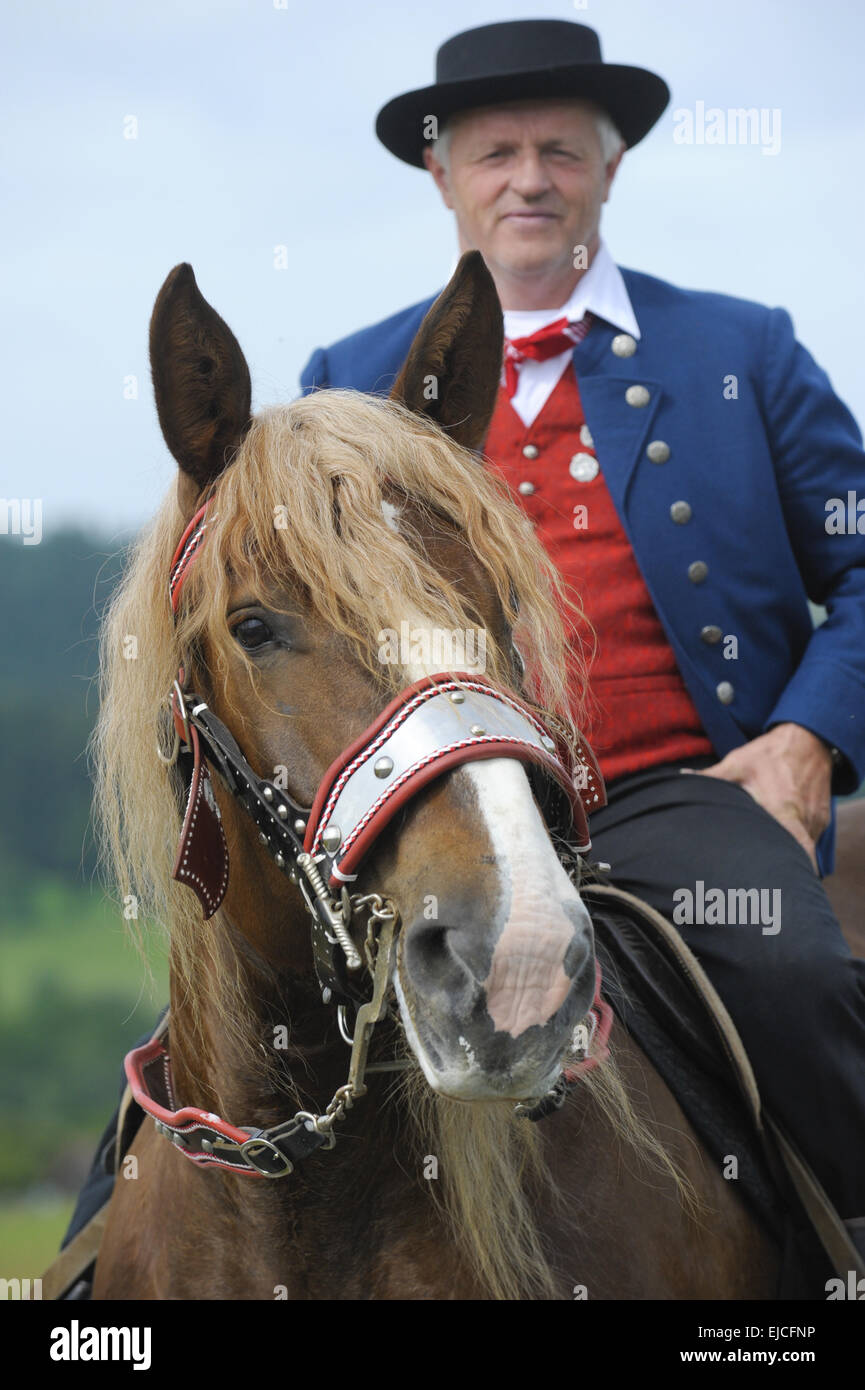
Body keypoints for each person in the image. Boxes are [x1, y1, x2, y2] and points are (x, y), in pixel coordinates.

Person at [297, 19, 865, 1252]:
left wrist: (807, 735)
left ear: (610, 168)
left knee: (799, 979)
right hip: (427, 808)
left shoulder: (742, 348)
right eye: (495, 152)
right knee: (234, 1023)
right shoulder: (346, 383)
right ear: (441, 175)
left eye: (561, 149)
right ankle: (90, 1280)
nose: (530, 178)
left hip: (682, 794)